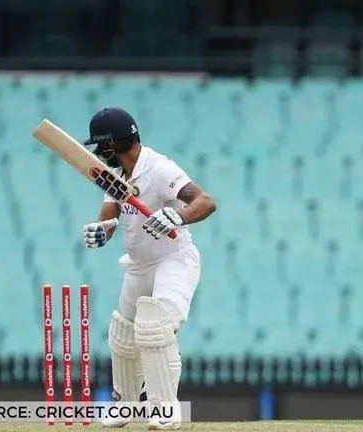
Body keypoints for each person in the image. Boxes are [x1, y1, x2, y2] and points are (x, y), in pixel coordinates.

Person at [81, 107, 216, 429]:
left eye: (102, 146)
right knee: (124, 335)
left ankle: (163, 410)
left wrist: (178, 216)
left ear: (115, 143)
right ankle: (125, 407)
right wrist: (104, 229)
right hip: (139, 265)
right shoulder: (116, 174)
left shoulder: (158, 168)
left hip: (174, 259)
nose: (99, 154)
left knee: (155, 328)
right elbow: (111, 212)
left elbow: (205, 201)